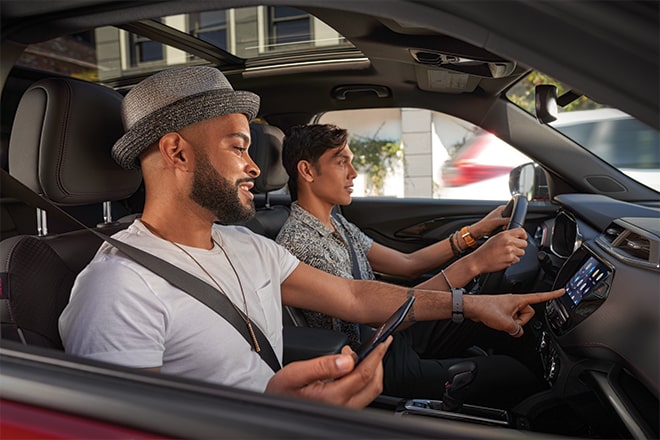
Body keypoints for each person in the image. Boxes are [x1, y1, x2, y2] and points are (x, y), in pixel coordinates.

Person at [59, 66, 563, 410]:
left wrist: (470, 307)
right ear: (176, 152)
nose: (255, 165)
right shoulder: (117, 290)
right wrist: (278, 415)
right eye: (238, 148)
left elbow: (353, 294)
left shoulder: (246, 244)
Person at [276, 123, 542, 405]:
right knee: (510, 374)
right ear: (306, 171)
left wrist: (473, 233)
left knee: (499, 326)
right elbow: (370, 312)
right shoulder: (300, 243)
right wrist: (474, 264)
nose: (353, 173)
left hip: (390, 334)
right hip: (372, 358)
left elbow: (408, 264)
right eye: (342, 163)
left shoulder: (338, 223)